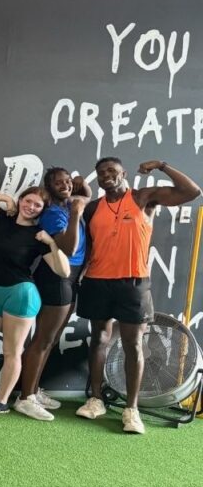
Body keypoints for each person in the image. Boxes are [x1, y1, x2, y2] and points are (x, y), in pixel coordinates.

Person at [75, 157, 200, 434]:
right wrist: (78, 276)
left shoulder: (143, 198)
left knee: (133, 345)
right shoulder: (94, 207)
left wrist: (162, 166)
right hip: (97, 281)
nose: (106, 175)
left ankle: (131, 410)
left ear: (123, 173)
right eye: (101, 173)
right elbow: (88, 246)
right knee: (99, 339)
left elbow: (191, 192)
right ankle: (96, 399)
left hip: (133, 284)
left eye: (111, 170)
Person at [0, 187, 70, 415]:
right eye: (28, 201)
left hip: (21, 296)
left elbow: (64, 271)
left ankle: (1, 401)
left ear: (42, 210)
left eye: (37, 205)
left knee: (11, 352)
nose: (31, 207)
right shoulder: (2, 218)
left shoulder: (38, 236)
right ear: (21, 200)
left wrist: (52, 243)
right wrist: (6, 198)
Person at [13, 168, 91, 421]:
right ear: (49, 188)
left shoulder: (68, 203)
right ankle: (25, 398)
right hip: (56, 278)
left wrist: (78, 184)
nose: (66, 186)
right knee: (43, 339)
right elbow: (68, 249)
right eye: (59, 183)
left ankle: (33, 390)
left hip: (71, 277)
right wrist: (76, 213)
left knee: (52, 338)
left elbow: (86, 192)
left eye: (67, 182)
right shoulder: (53, 213)